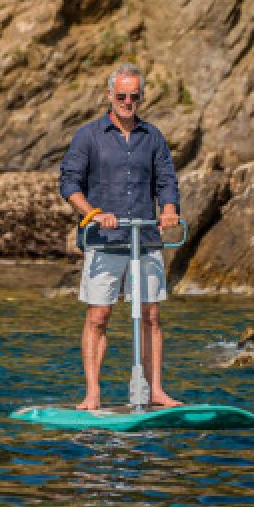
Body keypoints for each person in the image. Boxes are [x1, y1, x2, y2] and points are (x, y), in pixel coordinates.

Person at [58, 63, 182, 410]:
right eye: (123, 96)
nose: (129, 102)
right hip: (104, 241)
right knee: (99, 316)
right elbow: (69, 183)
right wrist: (94, 214)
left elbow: (166, 180)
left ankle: (155, 390)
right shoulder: (88, 136)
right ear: (110, 95)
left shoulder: (153, 137)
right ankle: (92, 392)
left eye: (135, 96)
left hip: (145, 239)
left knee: (151, 315)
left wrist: (169, 208)